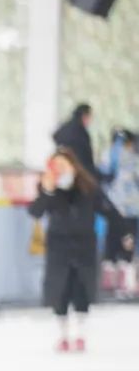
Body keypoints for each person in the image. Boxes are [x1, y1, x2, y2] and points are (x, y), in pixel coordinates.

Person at [28, 147, 134, 352]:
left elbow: (109, 210)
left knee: (81, 289)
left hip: (84, 245)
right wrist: (47, 191)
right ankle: (63, 334)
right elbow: (35, 212)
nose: (60, 170)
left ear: (73, 165)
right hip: (59, 246)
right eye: (55, 166)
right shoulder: (48, 188)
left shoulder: (88, 188)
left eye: (63, 165)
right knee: (60, 290)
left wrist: (125, 232)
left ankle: (81, 334)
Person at [100, 129, 139, 294]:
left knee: (112, 244)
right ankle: (126, 284)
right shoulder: (134, 158)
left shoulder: (107, 156)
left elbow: (100, 178)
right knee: (128, 245)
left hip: (112, 209)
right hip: (131, 209)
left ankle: (109, 282)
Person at [53, 103, 96, 175]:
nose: (90, 121)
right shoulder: (81, 133)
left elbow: (55, 136)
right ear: (84, 116)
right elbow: (86, 159)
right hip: (78, 173)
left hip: (62, 169)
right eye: (89, 117)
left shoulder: (65, 127)